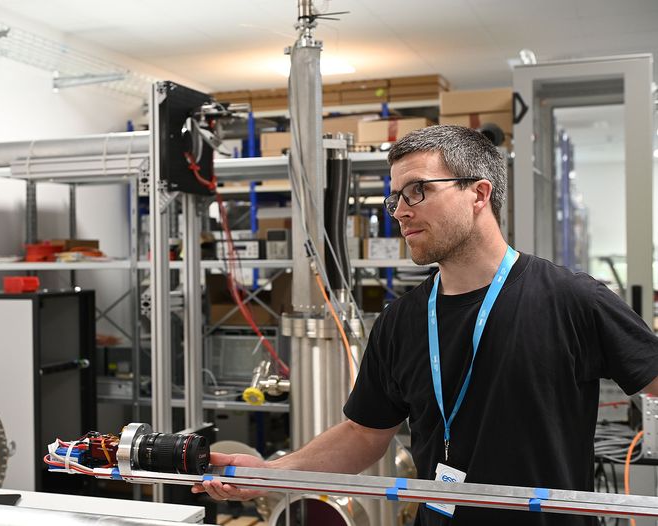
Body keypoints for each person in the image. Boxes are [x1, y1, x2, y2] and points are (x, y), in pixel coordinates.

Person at [193, 124, 658, 525]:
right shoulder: (403, 320)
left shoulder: (572, 299)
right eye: (395, 197)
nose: (399, 211)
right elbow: (363, 435)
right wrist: (271, 473)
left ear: (479, 193)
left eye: (417, 190)